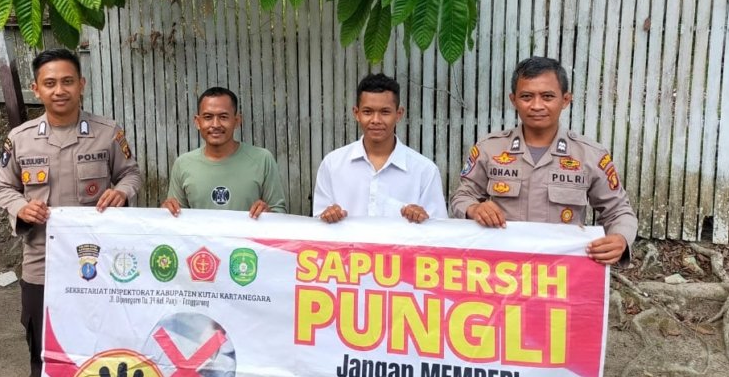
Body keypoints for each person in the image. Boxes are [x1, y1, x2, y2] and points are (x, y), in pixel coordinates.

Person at [0, 48, 141, 377]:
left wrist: (122, 192)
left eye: (67, 81)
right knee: (43, 350)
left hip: (98, 267)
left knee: (101, 345)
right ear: (36, 89)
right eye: (50, 83)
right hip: (42, 265)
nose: (59, 90)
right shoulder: (20, 139)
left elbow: (131, 173)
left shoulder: (107, 134)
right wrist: (21, 207)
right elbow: (4, 187)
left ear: (81, 85)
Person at [450, 56, 637, 265]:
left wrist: (620, 238)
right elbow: (462, 196)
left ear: (565, 100)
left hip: (563, 270)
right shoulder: (490, 149)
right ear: (513, 100)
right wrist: (474, 208)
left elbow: (618, 211)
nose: (536, 105)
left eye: (547, 96)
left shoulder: (590, 155)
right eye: (526, 96)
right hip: (502, 268)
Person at [313, 73, 447, 223]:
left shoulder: (424, 171)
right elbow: (318, 224)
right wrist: (328, 215)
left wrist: (422, 218)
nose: (376, 120)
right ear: (356, 113)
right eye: (367, 112)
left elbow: (439, 230)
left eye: (385, 112)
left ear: (399, 114)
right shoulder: (332, 165)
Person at [162, 87, 286, 217]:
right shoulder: (183, 164)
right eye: (208, 117)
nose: (215, 124)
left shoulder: (262, 159)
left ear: (237, 121)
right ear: (198, 122)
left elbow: (279, 214)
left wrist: (268, 213)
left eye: (223, 117)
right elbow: (176, 220)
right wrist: (166, 212)